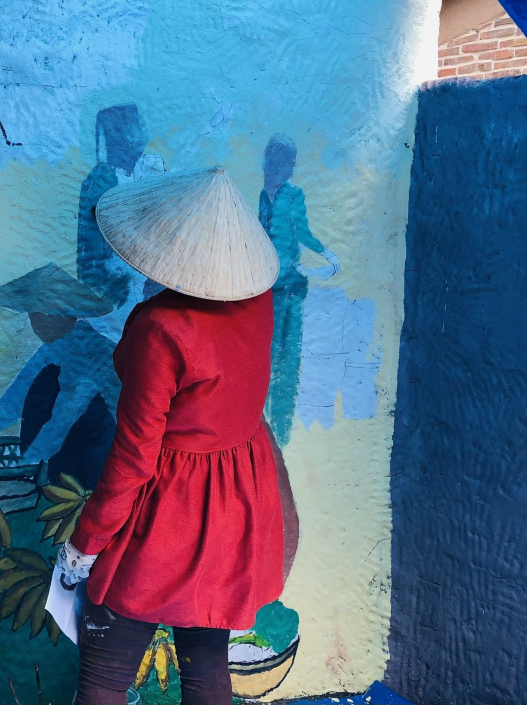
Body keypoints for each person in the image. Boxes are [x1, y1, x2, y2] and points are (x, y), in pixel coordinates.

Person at [58, 167, 290, 705]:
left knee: (104, 677)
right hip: (237, 505)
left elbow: (134, 457)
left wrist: (84, 544)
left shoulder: (161, 328)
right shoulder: (258, 301)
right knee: (206, 663)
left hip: (169, 515)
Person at [0, 263, 120, 490]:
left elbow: (64, 418)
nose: (35, 323)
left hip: (97, 455)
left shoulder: (94, 352)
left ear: (61, 314)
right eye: (32, 315)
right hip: (58, 454)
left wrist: (22, 465)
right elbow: (12, 404)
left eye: (38, 314)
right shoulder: (52, 349)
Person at [259, 134, 340, 446]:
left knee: (287, 358)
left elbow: (302, 232)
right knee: (267, 357)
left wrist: (326, 254)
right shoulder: (263, 196)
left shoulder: (293, 195)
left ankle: (280, 431)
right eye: (270, 160)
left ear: (289, 166)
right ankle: (265, 426)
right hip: (267, 289)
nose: (272, 167)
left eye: (279, 162)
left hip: (290, 287)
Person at [76, 104, 164, 341]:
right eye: (134, 127)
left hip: (147, 285)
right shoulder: (101, 180)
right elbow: (89, 252)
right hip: (117, 294)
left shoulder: (151, 168)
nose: (140, 135)